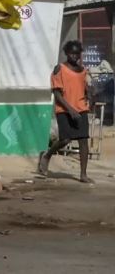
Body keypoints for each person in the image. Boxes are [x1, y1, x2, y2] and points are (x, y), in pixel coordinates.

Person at [39, 40, 94, 182]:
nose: (74, 56)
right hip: (64, 109)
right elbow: (57, 93)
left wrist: (89, 96)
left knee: (83, 140)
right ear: (66, 53)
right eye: (71, 53)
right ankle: (47, 155)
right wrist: (70, 110)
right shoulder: (60, 69)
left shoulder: (83, 70)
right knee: (65, 139)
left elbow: (83, 88)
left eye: (77, 53)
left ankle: (83, 174)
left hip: (81, 108)